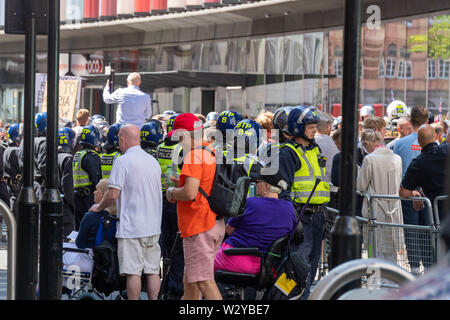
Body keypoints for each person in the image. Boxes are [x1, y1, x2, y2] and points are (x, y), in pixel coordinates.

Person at [90, 124, 162, 300]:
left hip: (132, 227)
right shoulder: (153, 161)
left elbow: (113, 194)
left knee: (133, 273)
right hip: (153, 226)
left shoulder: (122, 161)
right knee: (152, 271)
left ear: (122, 140)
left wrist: (99, 207)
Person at [165, 113, 225, 300]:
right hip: (215, 222)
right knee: (190, 280)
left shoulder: (193, 156)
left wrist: (172, 192)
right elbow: (202, 186)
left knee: (203, 281)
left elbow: (190, 193)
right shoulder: (212, 151)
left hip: (199, 226)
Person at [277, 105, 330, 300]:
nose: (315, 130)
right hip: (300, 218)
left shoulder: (314, 149)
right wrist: (294, 221)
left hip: (316, 217)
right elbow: (283, 191)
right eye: (310, 127)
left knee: (310, 270)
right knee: (295, 270)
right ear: (298, 128)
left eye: (315, 126)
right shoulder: (288, 153)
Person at [214, 169, 296, 275]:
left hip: (235, 258)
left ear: (266, 185)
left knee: (200, 266)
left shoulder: (250, 203)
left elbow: (228, 230)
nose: (256, 185)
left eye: (258, 182)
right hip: (269, 267)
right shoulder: (289, 208)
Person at [356, 129, 404, 263]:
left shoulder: (369, 159)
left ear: (367, 143)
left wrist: (359, 173)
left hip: (375, 208)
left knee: (373, 247)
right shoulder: (397, 158)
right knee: (391, 248)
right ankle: (390, 281)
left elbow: (360, 186)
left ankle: (374, 281)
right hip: (394, 208)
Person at [393, 105, 430, 275]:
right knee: (428, 231)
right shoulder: (432, 143)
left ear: (410, 120)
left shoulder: (400, 144)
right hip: (427, 194)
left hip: (407, 192)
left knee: (412, 232)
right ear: (427, 120)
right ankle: (429, 268)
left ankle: (414, 269)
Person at [157, 114, 185, 299]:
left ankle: (163, 285)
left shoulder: (159, 148)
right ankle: (175, 287)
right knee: (178, 249)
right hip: (177, 202)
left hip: (161, 201)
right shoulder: (182, 149)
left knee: (163, 247)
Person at [400, 124, 449, 225]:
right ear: (435, 137)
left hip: (437, 218)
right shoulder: (447, 149)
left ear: (419, 141)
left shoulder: (417, 163)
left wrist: (415, 194)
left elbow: (403, 192)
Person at [73, 124, 102, 230]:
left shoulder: (78, 154)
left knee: (79, 228)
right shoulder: (91, 156)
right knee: (90, 227)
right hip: (88, 198)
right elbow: (96, 179)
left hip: (77, 197)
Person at [76, 179, 117, 249]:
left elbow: (80, 243)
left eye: (96, 190)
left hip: (92, 255)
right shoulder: (119, 216)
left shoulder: (91, 216)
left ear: (104, 194)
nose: (94, 192)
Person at [314, 112, 340, 208]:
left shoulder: (313, 141)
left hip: (313, 189)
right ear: (328, 127)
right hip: (329, 189)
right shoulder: (329, 143)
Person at [58, 127, 76, 238]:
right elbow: (67, 186)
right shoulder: (68, 159)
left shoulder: (51, 156)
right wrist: (74, 204)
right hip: (65, 207)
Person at [2, 123, 23, 215]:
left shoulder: (8, 149)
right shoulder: (15, 150)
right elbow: (21, 167)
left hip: (10, 185)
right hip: (16, 186)